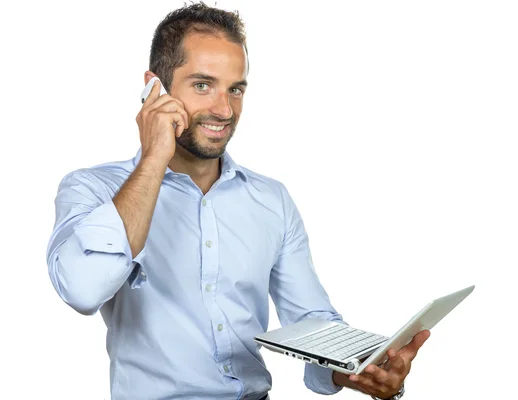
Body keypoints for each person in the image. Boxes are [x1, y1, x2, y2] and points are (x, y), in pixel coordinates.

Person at [46, 3, 429, 399]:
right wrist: (154, 157)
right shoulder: (92, 188)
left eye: (236, 89)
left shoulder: (271, 199)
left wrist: (355, 369)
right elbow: (83, 290)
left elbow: (311, 321)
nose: (224, 110)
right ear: (154, 88)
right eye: (202, 85)